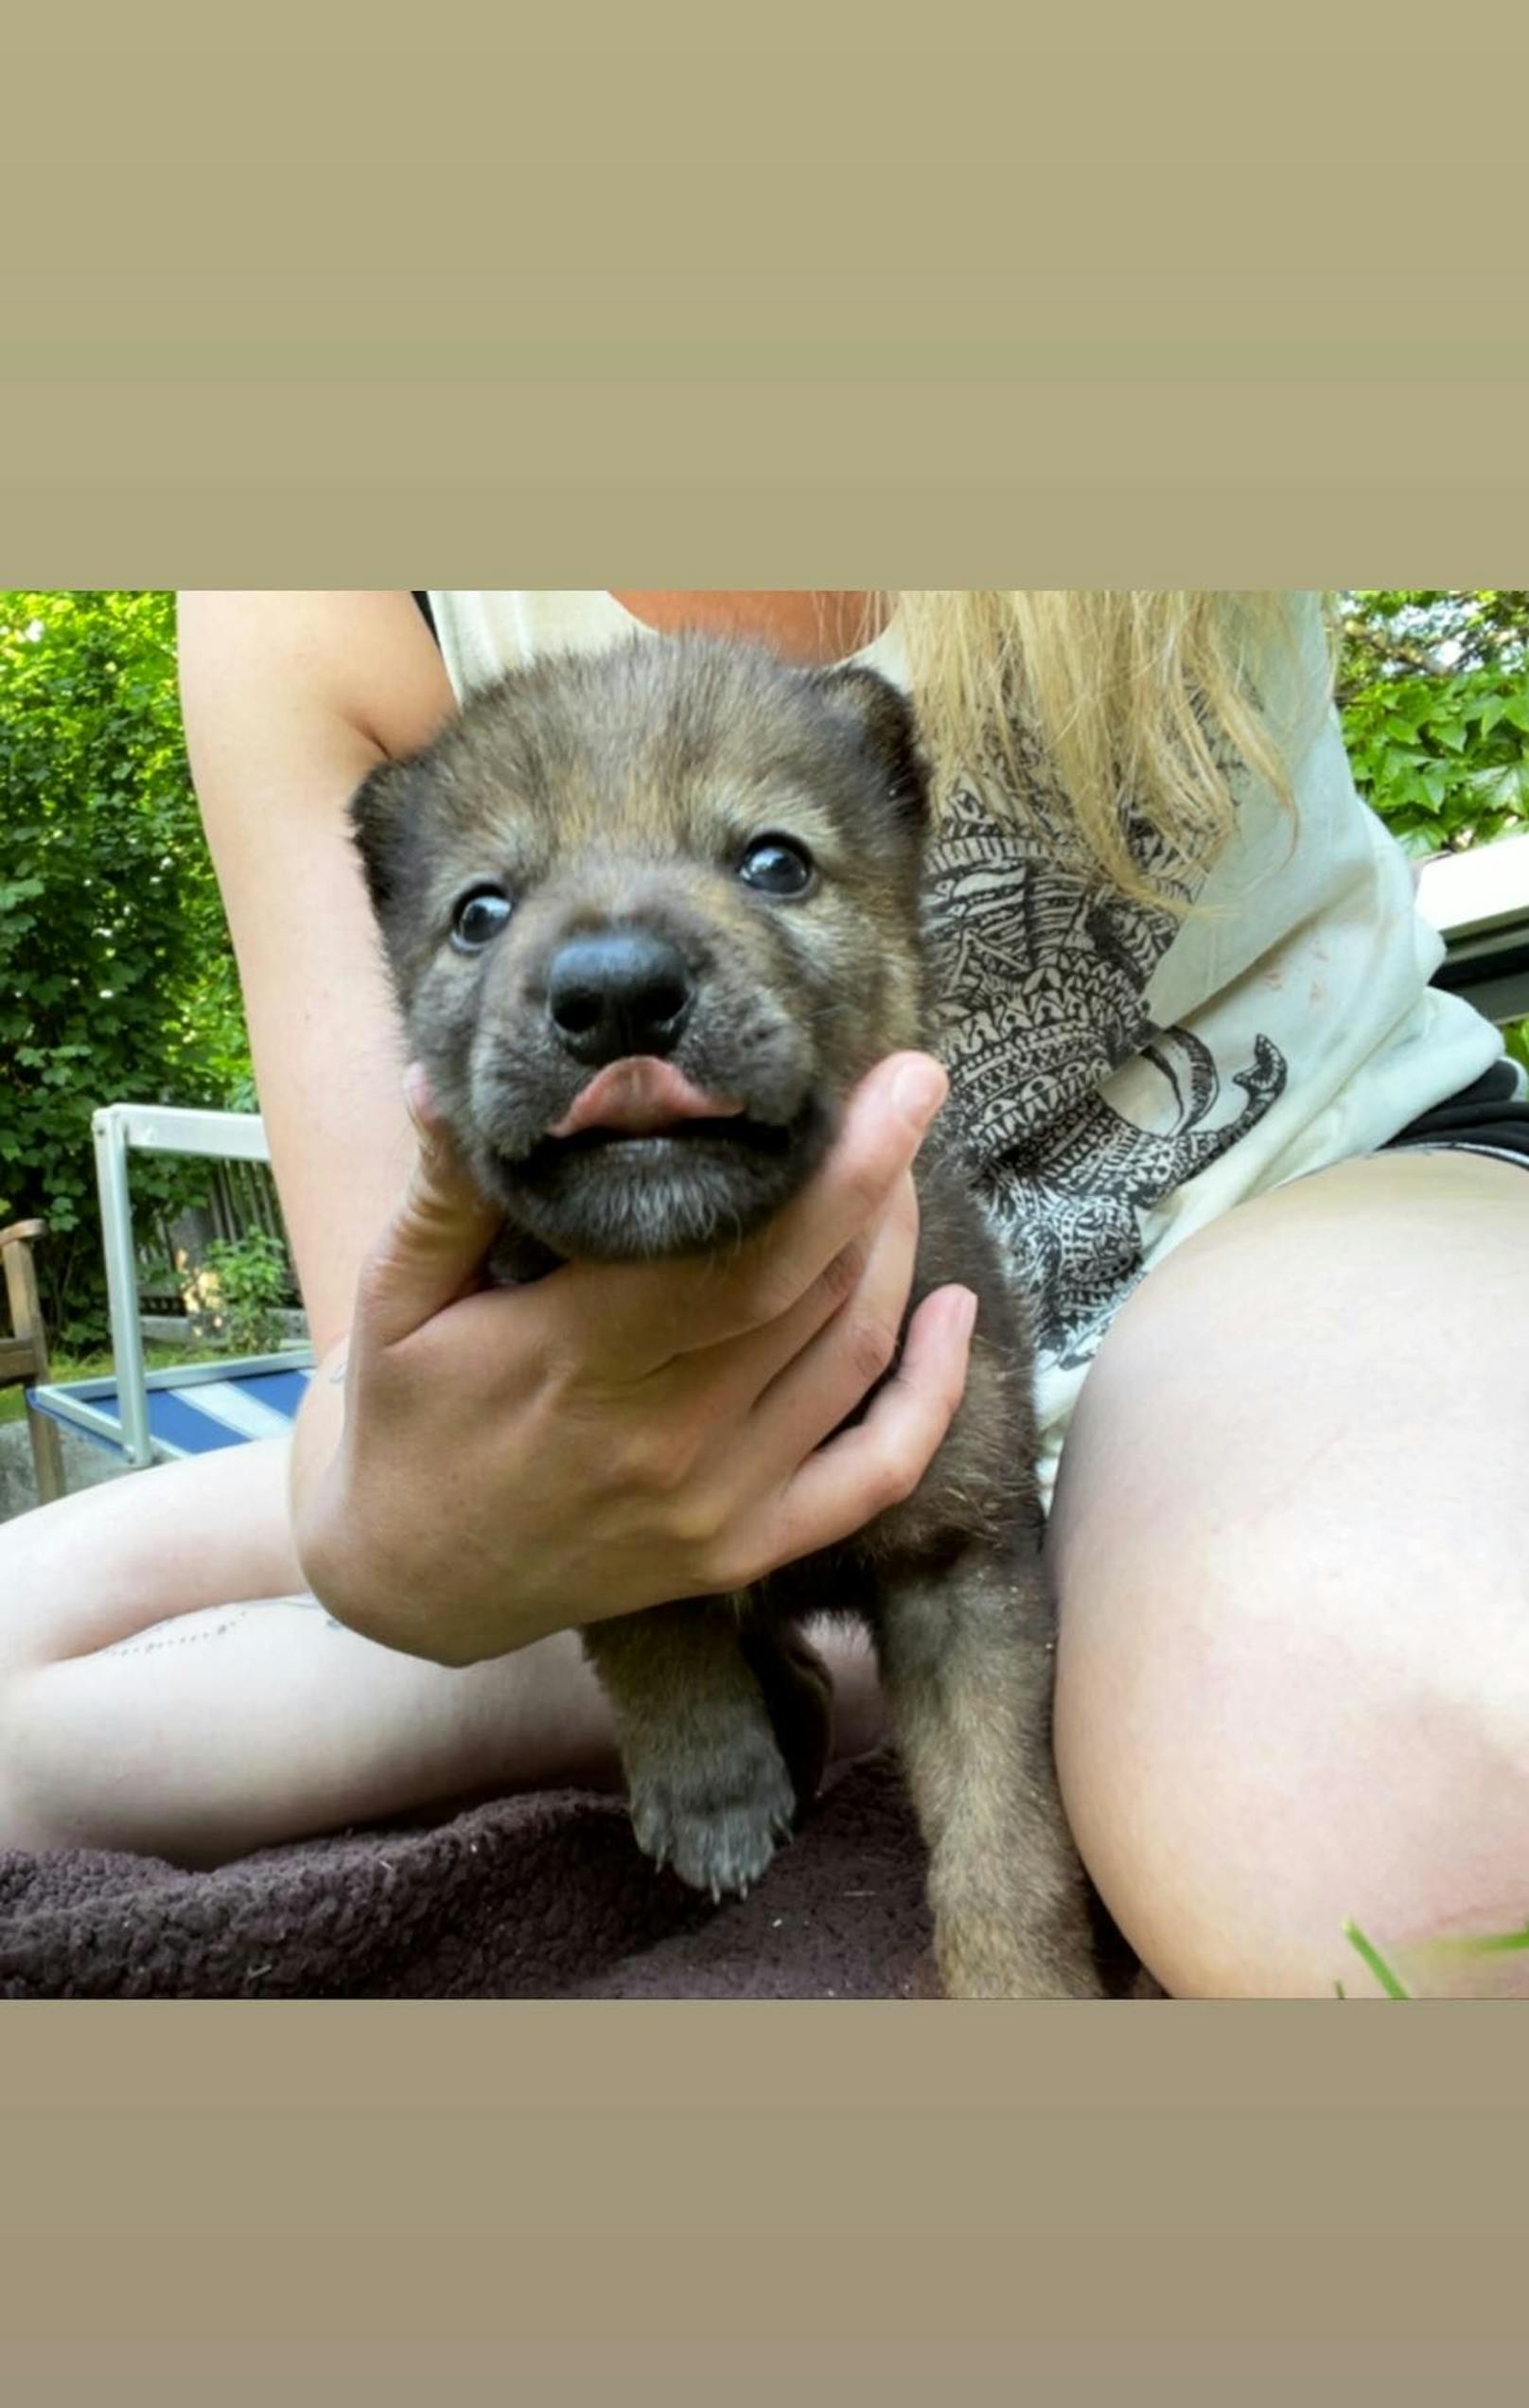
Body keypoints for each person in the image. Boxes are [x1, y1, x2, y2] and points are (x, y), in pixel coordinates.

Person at [2, 589, 1526, 1999]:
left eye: (772, 860)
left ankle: (929, 1669)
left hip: (1295, 1214)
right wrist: (427, 1543)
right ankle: (784, 1664)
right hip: (616, 1406)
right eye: (482, 912)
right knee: (28, 1696)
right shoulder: (311, 585)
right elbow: (374, 1412)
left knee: (1388, 1822)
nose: (602, 971)